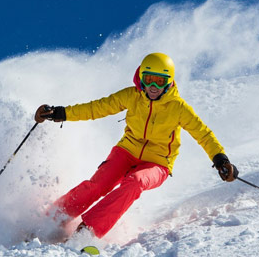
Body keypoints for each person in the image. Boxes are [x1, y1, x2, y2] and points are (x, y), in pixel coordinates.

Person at [34, 52, 238, 240]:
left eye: (160, 81)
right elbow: (97, 108)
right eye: (149, 79)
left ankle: (87, 231)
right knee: (98, 185)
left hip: (158, 163)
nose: (153, 87)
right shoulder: (132, 96)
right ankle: (53, 218)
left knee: (134, 182)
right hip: (126, 151)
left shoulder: (178, 107)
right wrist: (61, 113)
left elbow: (203, 134)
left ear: (169, 82)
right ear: (141, 77)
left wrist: (221, 159)